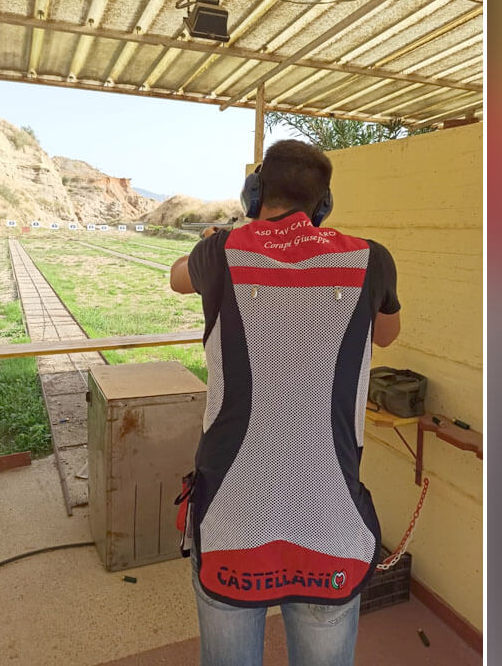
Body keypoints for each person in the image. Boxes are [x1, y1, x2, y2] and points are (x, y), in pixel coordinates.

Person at [169, 139, 401, 666]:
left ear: (254, 194)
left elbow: (177, 277)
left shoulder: (219, 252)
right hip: (331, 522)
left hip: (231, 519)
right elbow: (387, 334)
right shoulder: (372, 259)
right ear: (324, 205)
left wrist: (214, 240)